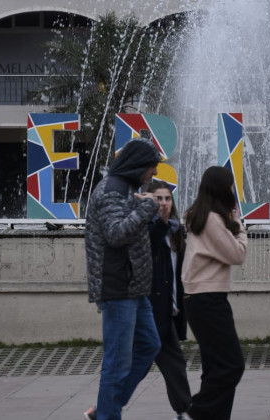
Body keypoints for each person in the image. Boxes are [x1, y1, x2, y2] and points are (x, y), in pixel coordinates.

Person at [84, 137, 162, 420]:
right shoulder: (111, 191)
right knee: (117, 363)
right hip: (117, 287)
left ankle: (105, 407)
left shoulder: (126, 189)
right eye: (151, 168)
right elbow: (116, 233)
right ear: (138, 165)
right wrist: (146, 208)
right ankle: (107, 413)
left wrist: (146, 211)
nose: (153, 174)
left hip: (133, 288)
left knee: (150, 345)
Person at [181, 166, 248, 420]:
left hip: (202, 299)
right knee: (232, 365)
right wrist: (239, 226)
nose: (233, 190)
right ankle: (194, 413)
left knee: (216, 367)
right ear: (222, 188)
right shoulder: (212, 219)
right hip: (207, 299)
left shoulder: (201, 215)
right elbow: (237, 254)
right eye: (231, 185)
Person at [147, 181, 192, 420]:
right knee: (135, 368)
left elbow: (178, 274)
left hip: (168, 311)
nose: (164, 203)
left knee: (175, 365)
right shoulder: (145, 228)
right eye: (158, 198)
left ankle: (184, 411)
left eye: (167, 199)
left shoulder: (177, 231)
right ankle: (102, 407)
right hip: (150, 312)